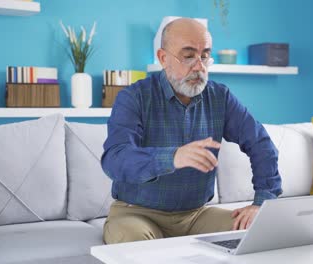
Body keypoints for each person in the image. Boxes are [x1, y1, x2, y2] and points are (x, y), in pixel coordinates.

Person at [101, 18, 282, 244]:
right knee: (134, 244)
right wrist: (173, 157)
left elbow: (261, 144)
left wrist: (261, 203)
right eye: (188, 56)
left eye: (205, 55)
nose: (199, 66)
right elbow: (115, 159)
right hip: (136, 214)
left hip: (196, 215)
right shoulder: (133, 97)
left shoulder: (220, 97)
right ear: (163, 58)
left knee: (259, 231)